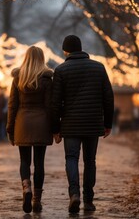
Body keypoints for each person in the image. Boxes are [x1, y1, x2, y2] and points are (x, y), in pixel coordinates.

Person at [51, 35, 114, 213]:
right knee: (90, 160)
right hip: (93, 123)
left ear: (66, 51)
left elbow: (55, 103)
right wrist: (108, 123)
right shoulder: (99, 67)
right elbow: (108, 97)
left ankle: (74, 194)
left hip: (70, 125)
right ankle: (88, 199)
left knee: (71, 158)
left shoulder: (61, 70)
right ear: (81, 49)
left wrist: (55, 129)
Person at [6, 46, 53, 213]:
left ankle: (26, 188)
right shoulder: (47, 79)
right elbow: (49, 106)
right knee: (39, 162)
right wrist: (54, 128)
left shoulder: (18, 78)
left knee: (24, 161)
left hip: (23, 122)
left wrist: (10, 129)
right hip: (41, 122)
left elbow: (12, 105)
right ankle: (37, 200)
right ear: (42, 58)